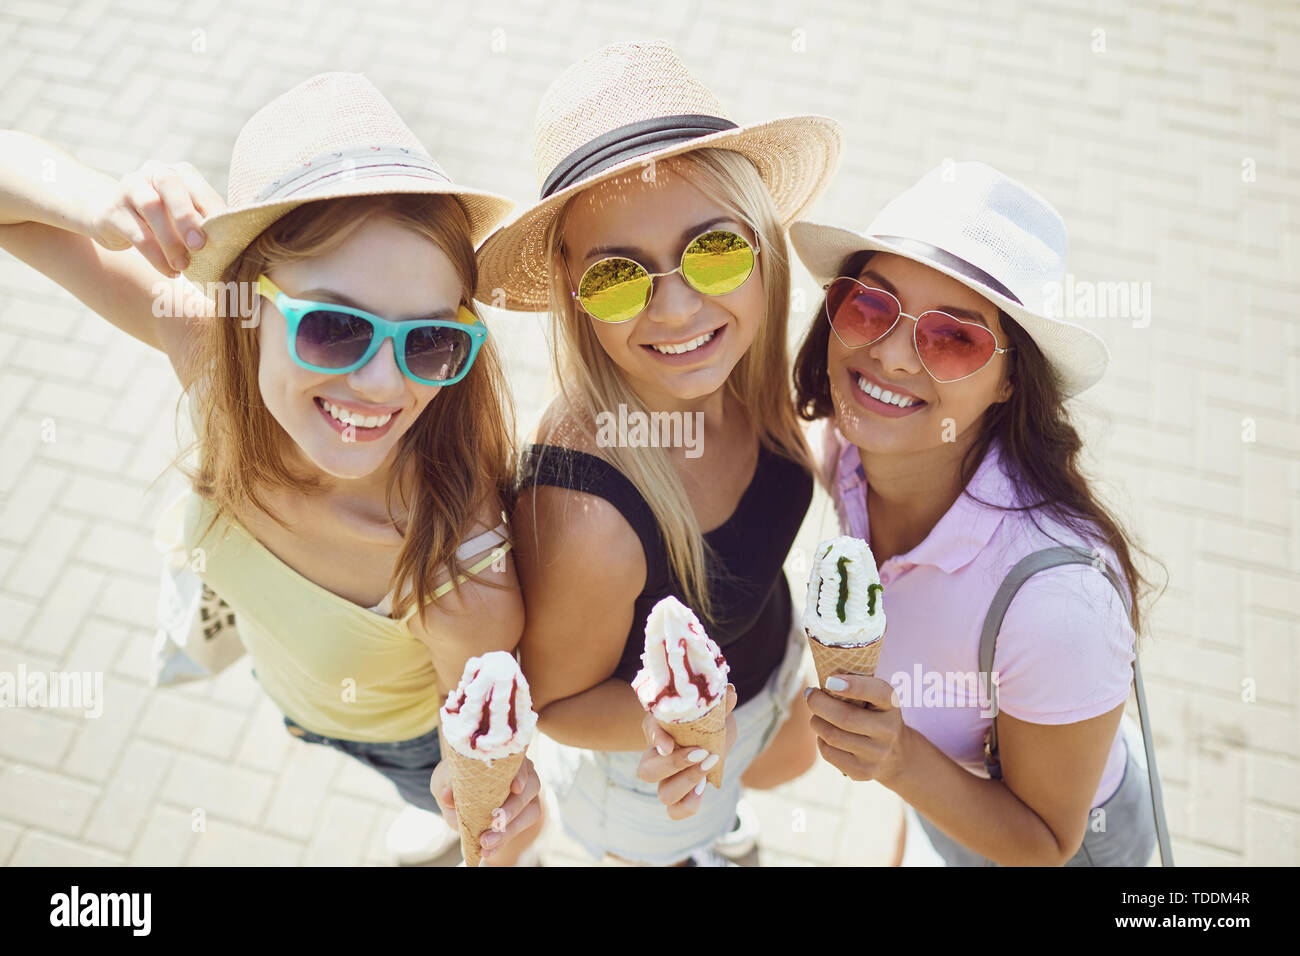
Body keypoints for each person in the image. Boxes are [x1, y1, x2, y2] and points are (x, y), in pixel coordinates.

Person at [0, 72, 543, 866]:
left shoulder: (459, 569)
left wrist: (492, 825)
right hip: (287, 690)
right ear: (245, 311)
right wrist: (100, 205)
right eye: (332, 328)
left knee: (422, 796)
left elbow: (487, 776)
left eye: (430, 341)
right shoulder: (213, 362)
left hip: (408, 747)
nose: (386, 386)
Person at [475, 40, 843, 866]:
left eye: (713, 250)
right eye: (617, 276)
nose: (677, 310)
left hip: (769, 675)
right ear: (572, 291)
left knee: (747, 795)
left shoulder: (743, 368)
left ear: (758, 245)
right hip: (653, 773)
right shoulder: (587, 517)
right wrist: (679, 725)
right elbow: (558, 700)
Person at [789, 161, 1166, 865]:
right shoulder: (850, 441)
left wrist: (898, 759)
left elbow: (1047, 842)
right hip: (950, 810)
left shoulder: (1059, 609)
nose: (891, 356)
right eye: (869, 305)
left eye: (953, 338)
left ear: (1010, 379)